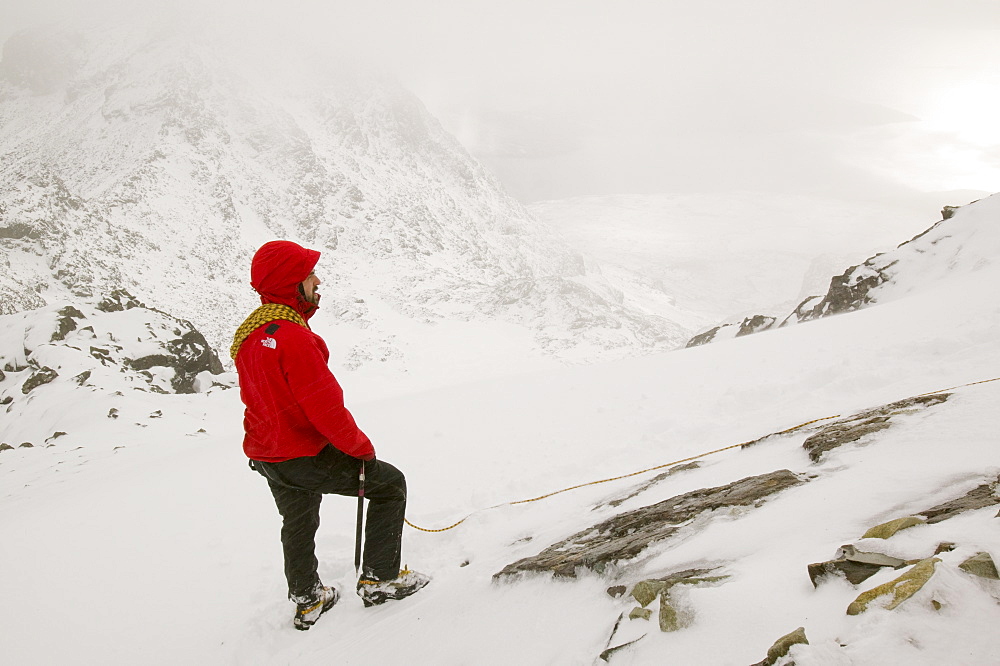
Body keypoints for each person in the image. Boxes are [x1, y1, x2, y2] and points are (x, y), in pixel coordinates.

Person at [230, 239, 428, 631]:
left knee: (298, 521)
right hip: (303, 453)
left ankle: (307, 599)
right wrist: (360, 450)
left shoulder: (251, 335)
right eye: (308, 276)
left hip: (269, 455)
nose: (317, 281)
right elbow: (324, 408)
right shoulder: (294, 337)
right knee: (389, 485)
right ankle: (381, 580)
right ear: (291, 283)